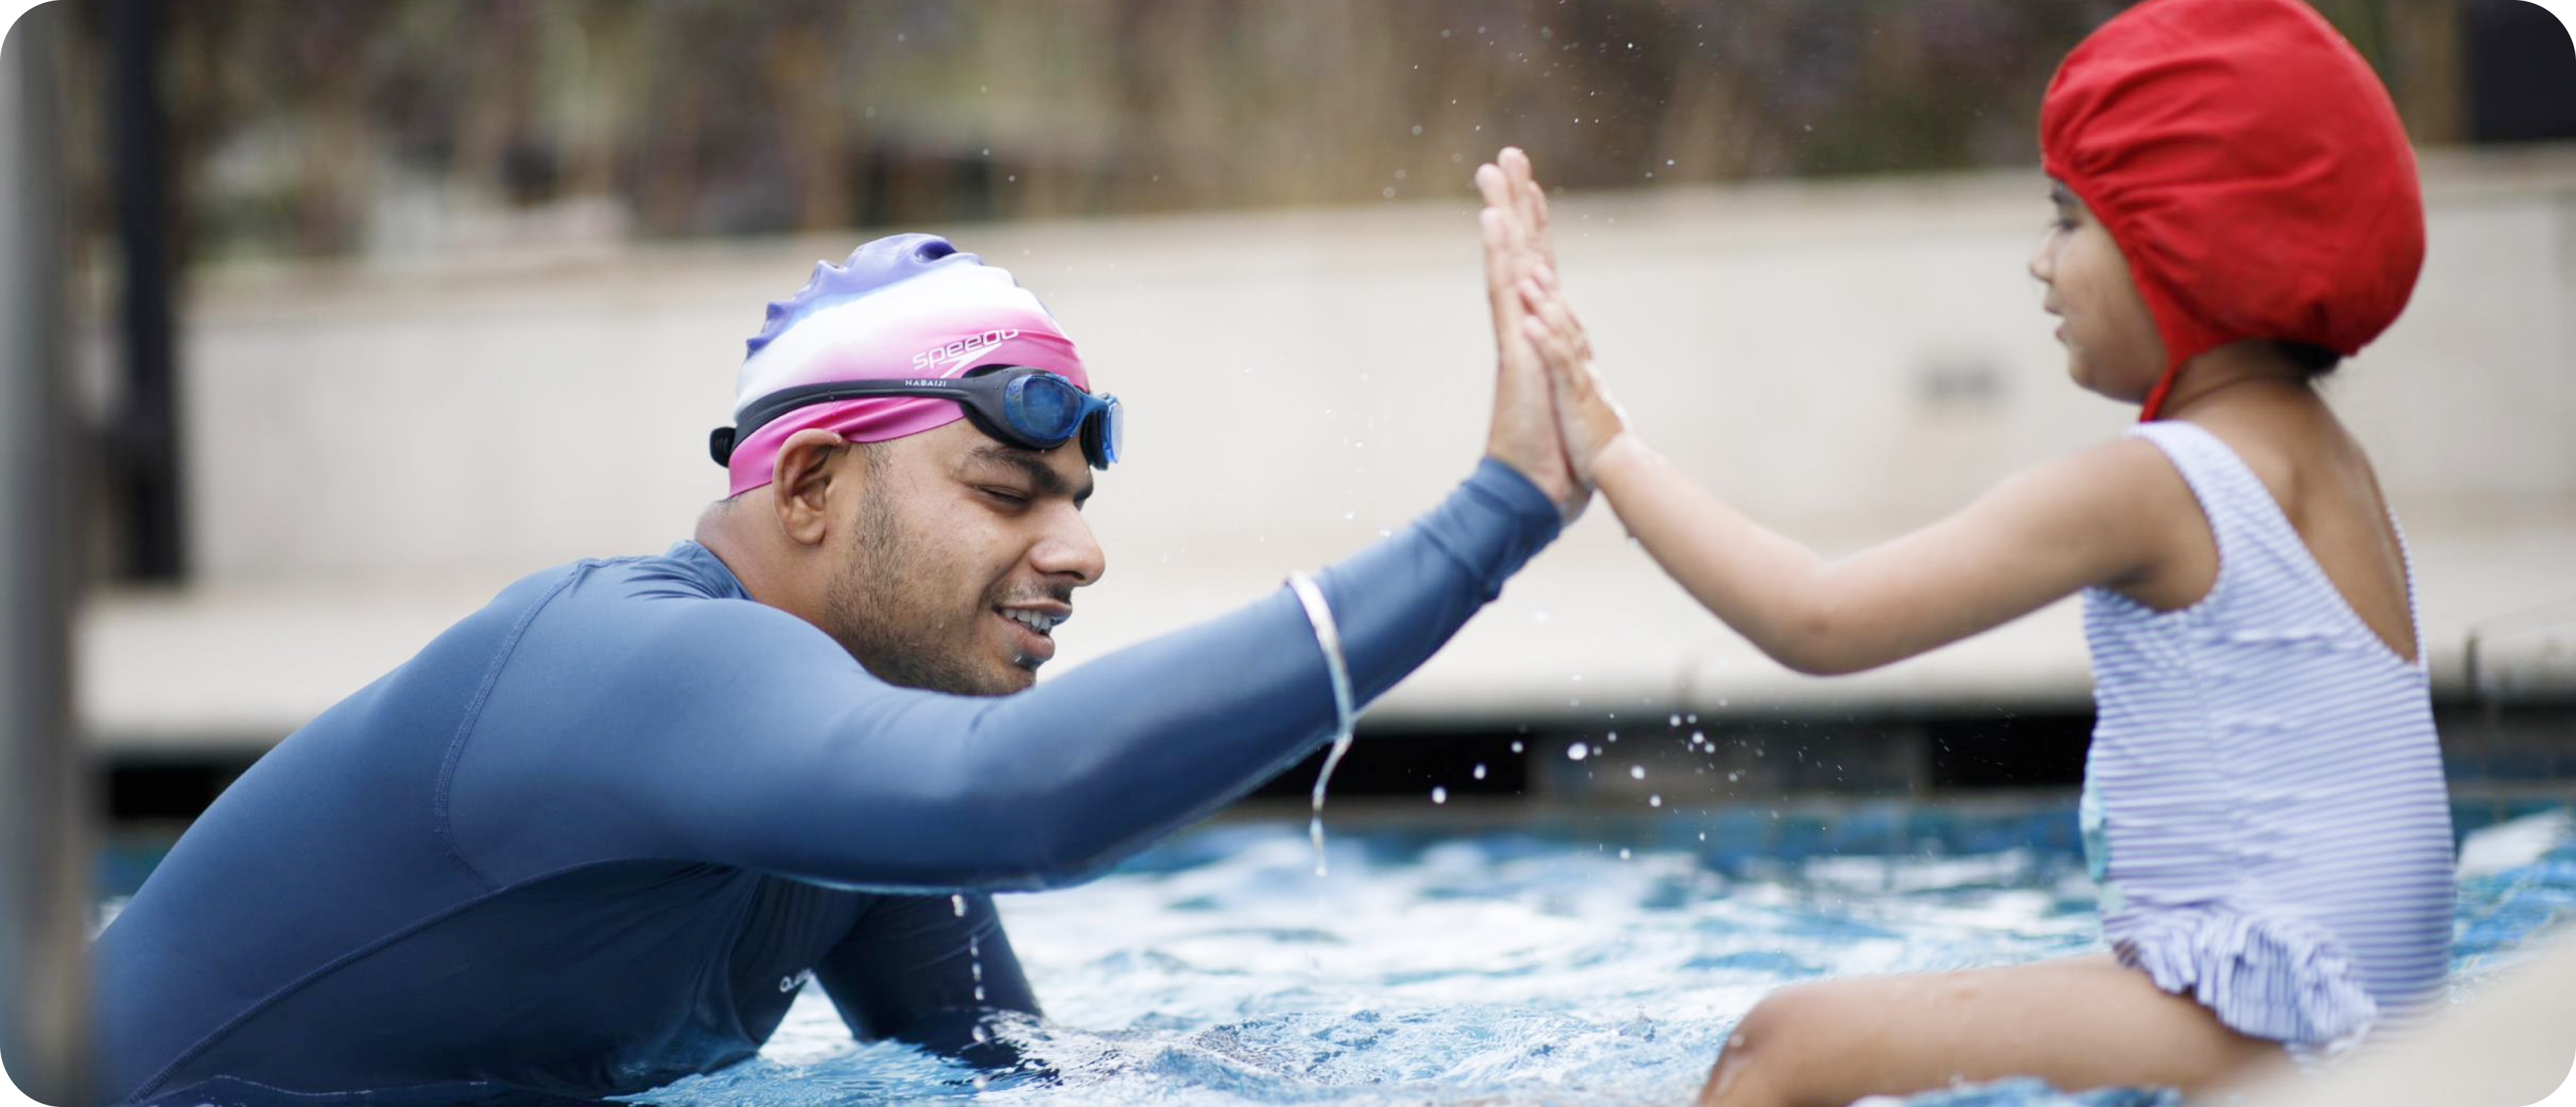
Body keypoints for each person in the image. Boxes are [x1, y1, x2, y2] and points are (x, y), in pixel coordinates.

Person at [90, 230, 1585, 1105]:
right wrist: (1496, 517)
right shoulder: (620, 665)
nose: (1079, 551)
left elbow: (1009, 1074)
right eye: (1007, 493)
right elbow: (1028, 803)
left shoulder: (847, 789)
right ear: (807, 484)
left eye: (1076, 502)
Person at [1478, 0, 2456, 1101]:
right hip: (2356, 1010)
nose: (2041, 263)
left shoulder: (2161, 483)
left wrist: (1605, 444)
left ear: (2186, 239)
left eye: (2070, 219)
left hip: (2280, 1027)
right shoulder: (2331, 462)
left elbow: (1819, 619)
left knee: (1781, 1045)